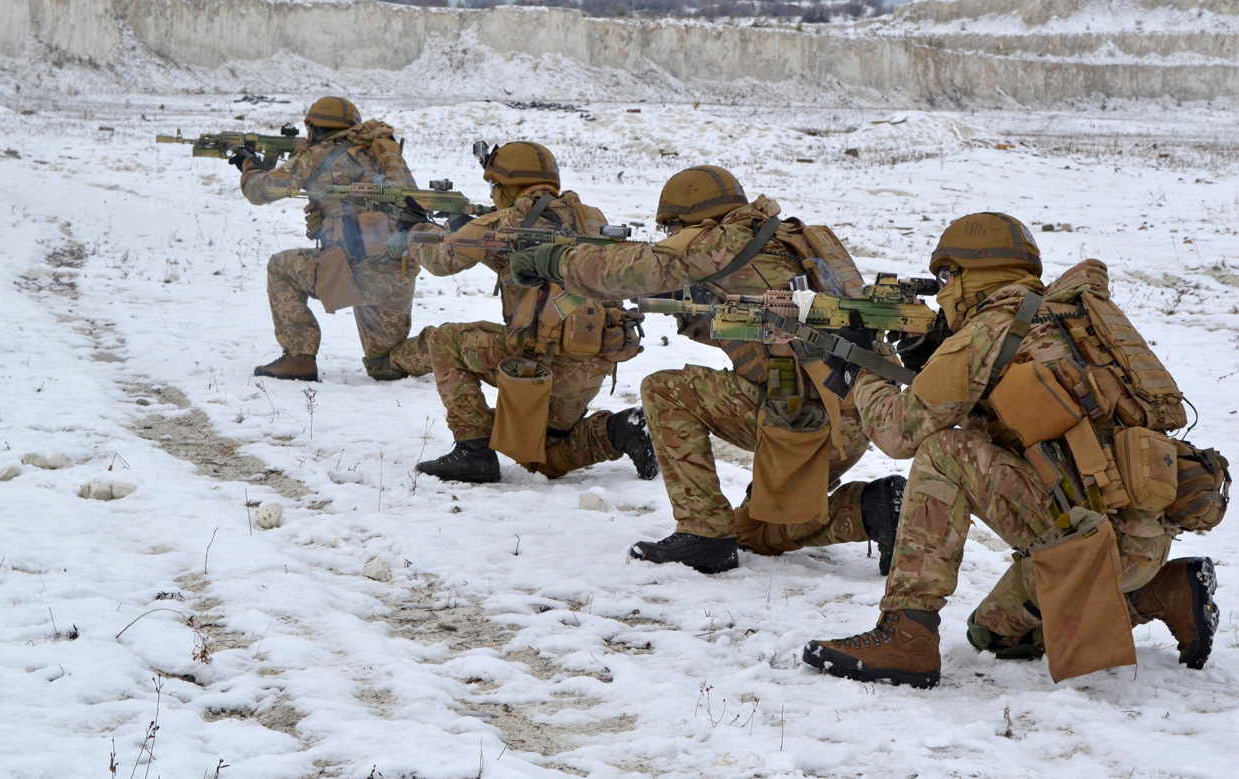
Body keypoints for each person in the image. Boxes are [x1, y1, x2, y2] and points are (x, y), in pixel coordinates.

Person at [802, 212, 1220, 688]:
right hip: (1137, 539)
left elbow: (900, 433)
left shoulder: (988, 330)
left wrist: (860, 370)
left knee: (946, 451)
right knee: (992, 634)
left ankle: (906, 634)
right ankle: (1164, 592)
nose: (940, 293)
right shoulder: (1061, 315)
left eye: (945, 278)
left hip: (1087, 538)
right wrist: (928, 358)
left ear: (966, 274)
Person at [510, 165, 903, 575]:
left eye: (673, 230)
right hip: (851, 416)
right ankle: (878, 508)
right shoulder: (786, 239)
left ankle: (702, 535)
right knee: (756, 533)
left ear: (693, 222)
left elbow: (618, 272)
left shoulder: (718, 242)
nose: (671, 240)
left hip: (802, 422)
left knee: (665, 390)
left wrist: (552, 259)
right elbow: (750, 327)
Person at [406, 141, 656, 484]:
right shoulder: (592, 217)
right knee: (545, 459)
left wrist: (415, 229)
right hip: (592, 363)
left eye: (495, 186)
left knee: (444, 340)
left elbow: (440, 260)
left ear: (510, 186)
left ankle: (473, 451)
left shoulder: (507, 221)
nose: (492, 196)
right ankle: (620, 430)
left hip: (542, 362)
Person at [235, 96, 432, 382]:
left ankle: (299, 358)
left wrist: (248, 166)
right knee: (384, 365)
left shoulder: (323, 153)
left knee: (280, 267)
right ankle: (446, 349)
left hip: (355, 272)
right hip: (398, 271)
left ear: (316, 129)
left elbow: (261, 190)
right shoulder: (382, 151)